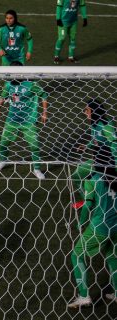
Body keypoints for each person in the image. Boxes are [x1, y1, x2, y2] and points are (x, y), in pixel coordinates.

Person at [68, 144, 117, 308]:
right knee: (111, 256)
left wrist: (80, 223)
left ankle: (84, 296)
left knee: (76, 254)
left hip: (100, 226)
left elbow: (88, 205)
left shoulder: (93, 180)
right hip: (116, 225)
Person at [0, 61, 48, 180]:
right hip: (12, 120)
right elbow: (3, 96)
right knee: (4, 143)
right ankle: (3, 161)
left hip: (29, 120)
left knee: (35, 146)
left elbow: (43, 95)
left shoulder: (31, 84)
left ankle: (37, 169)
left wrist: (44, 112)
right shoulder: (8, 84)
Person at [72, 99, 116, 209]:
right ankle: (88, 201)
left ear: (94, 111)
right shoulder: (94, 124)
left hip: (109, 162)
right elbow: (96, 140)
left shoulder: (106, 125)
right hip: (97, 160)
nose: (84, 112)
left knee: (110, 187)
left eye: (87, 110)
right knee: (76, 176)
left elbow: (114, 144)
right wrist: (87, 146)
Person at [54, 0, 88, 64]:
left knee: (72, 38)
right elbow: (59, 6)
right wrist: (58, 19)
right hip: (63, 21)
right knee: (61, 38)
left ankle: (71, 57)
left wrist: (85, 18)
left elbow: (82, 5)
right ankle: (56, 56)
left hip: (73, 21)